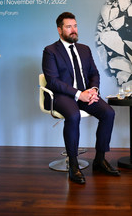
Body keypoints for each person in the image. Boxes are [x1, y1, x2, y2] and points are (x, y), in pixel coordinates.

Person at [42, 12, 120, 184]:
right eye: (68, 27)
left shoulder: (84, 49)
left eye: (75, 26)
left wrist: (93, 90)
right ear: (59, 30)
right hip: (61, 96)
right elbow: (53, 82)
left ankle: (100, 159)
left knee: (108, 113)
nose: (73, 30)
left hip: (85, 95)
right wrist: (79, 94)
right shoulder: (50, 51)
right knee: (73, 115)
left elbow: (94, 73)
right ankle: (73, 164)